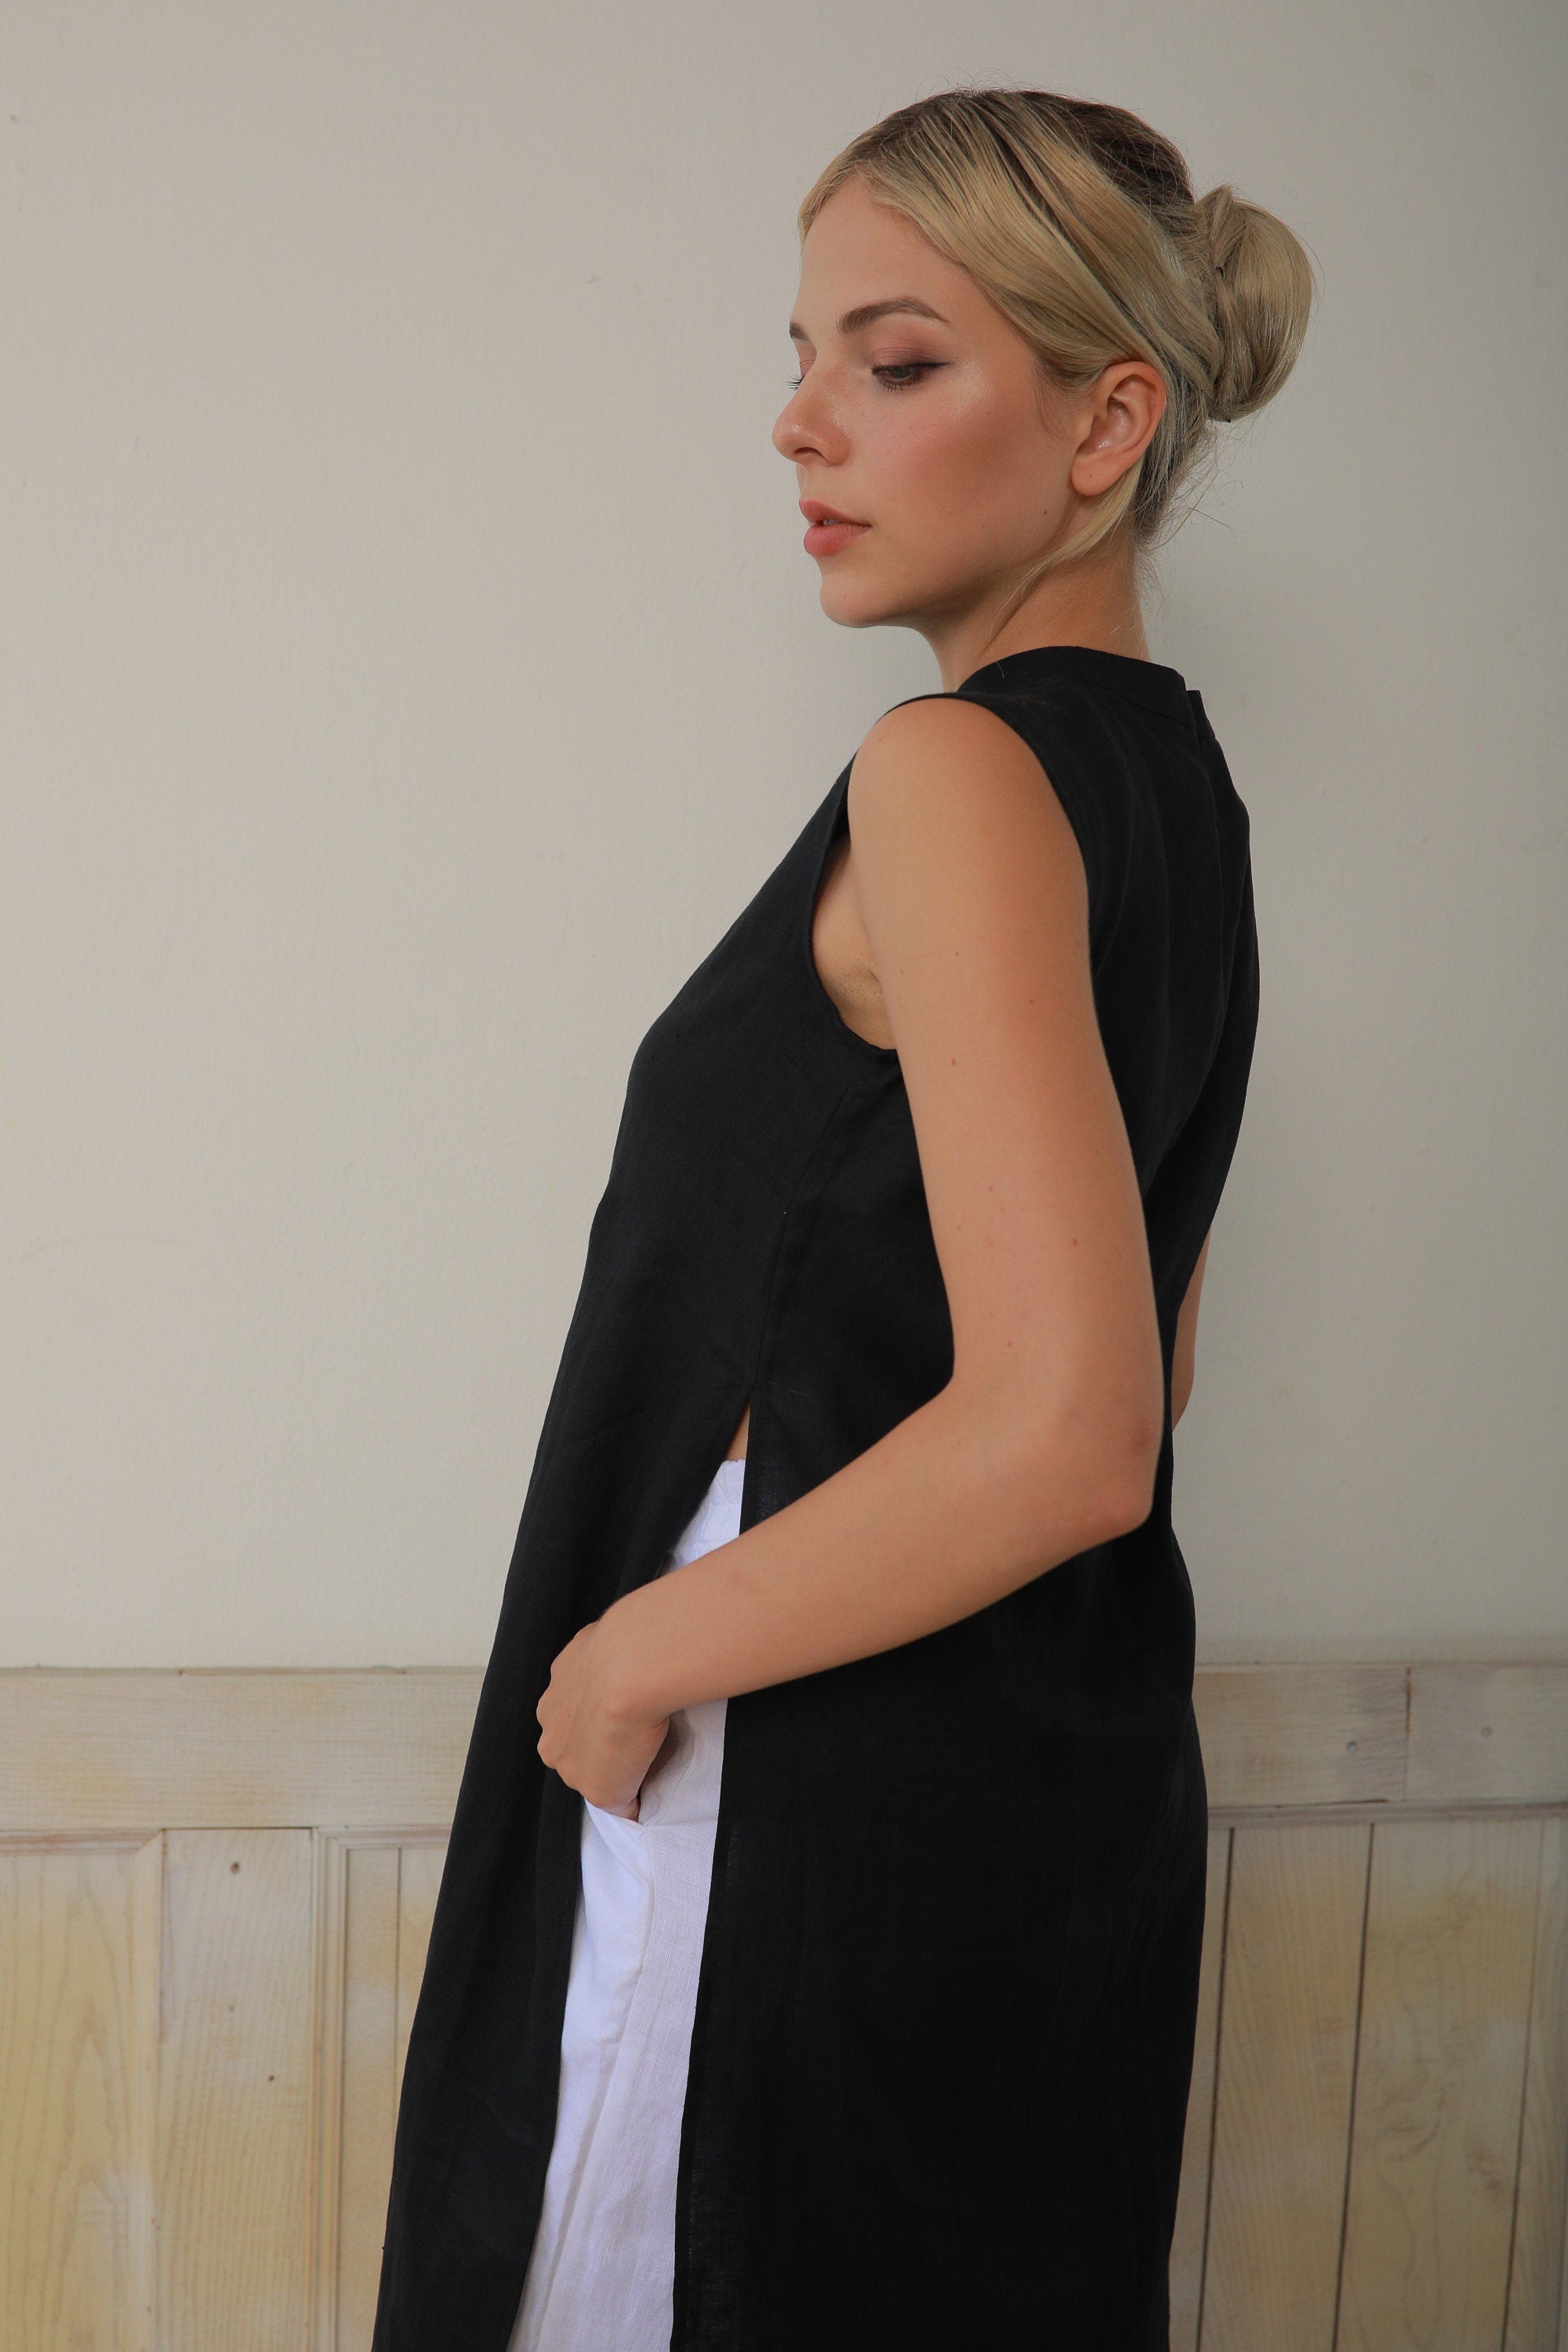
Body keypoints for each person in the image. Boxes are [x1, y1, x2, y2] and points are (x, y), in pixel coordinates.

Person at [372, 85, 1315, 2352]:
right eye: (801, 356)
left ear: (1110, 418)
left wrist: (632, 1657)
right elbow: (1152, 1364)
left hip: (783, 1804)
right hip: (1026, 1810)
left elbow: (1077, 1427)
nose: (804, 425)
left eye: (895, 363)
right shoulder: (1179, 799)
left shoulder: (954, 773)